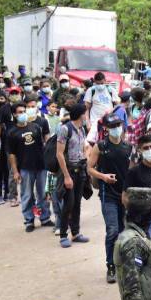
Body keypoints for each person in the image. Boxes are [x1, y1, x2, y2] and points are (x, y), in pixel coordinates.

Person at [88, 114, 131, 283]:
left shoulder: (128, 146)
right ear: (106, 128)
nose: (116, 128)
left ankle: (124, 263)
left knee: (125, 230)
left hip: (125, 195)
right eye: (112, 126)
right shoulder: (100, 146)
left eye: (118, 125)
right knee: (112, 230)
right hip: (108, 195)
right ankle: (111, 265)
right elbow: (90, 168)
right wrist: (103, 177)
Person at [7, 101, 52, 232]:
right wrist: (15, 171)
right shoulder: (12, 133)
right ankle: (29, 220)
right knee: (27, 195)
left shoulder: (36, 127)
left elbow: (44, 145)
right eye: (20, 112)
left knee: (43, 193)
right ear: (14, 115)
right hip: (25, 168)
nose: (23, 114)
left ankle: (45, 217)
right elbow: (12, 154)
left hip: (41, 166)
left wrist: (48, 163)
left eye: (24, 111)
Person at [56, 103, 90, 248]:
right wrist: (66, 176)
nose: (86, 115)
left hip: (80, 170)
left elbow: (83, 148)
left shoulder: (81, 129)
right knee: (68, 203)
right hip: (69, 171)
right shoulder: (65, 129)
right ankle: (63, 234)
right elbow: (59, 154)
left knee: (77, 202)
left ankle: (75, 233)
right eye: (85, 113)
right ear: (80, 114)